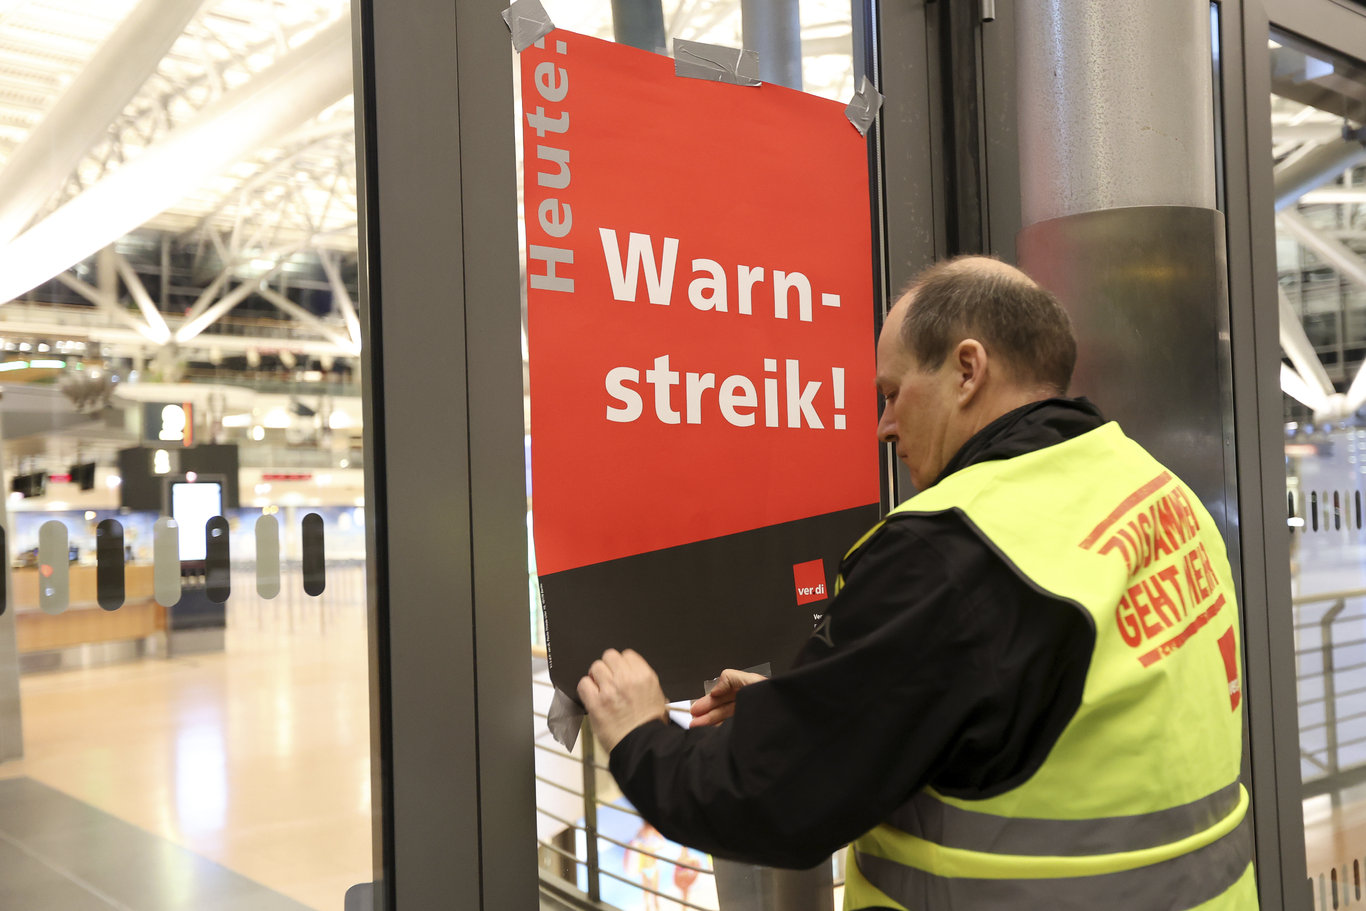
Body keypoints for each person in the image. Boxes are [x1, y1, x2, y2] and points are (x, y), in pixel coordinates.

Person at [577, 256, 1257, 910]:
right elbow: (1049, 706)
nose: (883, 426)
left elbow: (766, 799)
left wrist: (640, 735)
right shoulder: (1156, 490)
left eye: (893, 393)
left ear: (967, 369)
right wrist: (836, 698)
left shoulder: (952, 551)